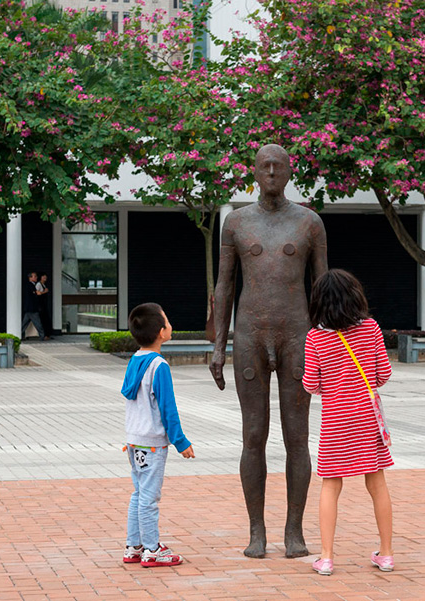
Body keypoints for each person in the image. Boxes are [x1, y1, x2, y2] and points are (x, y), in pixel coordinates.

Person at [210, 144, 328, 558]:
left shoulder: (310, 223)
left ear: (290, 171)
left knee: (298, 437)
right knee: (253, 435)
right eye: (266, 166)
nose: (273, 172)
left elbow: (323, 289)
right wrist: (219, 345)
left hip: (298, 336)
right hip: (250, 337)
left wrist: (329, 346)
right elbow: (224, 286)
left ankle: (293, 531)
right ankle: (256, 530)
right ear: (255, 172)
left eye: (280, 166)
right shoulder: (237, 222)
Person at [302, 269, 394, 576]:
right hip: (367, 419)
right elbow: (383, 375)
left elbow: (311, 384)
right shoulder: (371, 328)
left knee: (331, 484)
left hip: (336, 421)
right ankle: (387, 553)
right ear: (355, 296)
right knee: (377, 482)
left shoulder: (315, 336)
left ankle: (326, 557)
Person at [121, 303, 195, 568]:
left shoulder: (135, 360)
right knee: (149, 498)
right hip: (152, 444)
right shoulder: (159, 365)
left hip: (133, 440)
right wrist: (181, 442)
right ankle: (152, 550)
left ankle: (134, 546)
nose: (170, 325)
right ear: (162, 332)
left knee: (139, 494)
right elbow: (168, 408)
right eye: (168, 321)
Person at [21, 271, 49, 341]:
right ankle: (42, 336)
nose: (36, 277)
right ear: (30, 277)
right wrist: (44, 291)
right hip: (32, 308)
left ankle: (19, 335)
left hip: (29, 308)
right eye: (35, 276)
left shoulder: (31, 285)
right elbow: (38, 293)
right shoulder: (30, 285)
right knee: (38, 323)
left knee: (25, 323)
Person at [37, 272, 53, 337]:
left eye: (45, 277)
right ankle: (44, 334)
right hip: (41, 305)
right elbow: (38, 293)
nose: (45, 278)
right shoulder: (38, 284)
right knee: (43, 320)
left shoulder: (44, 285)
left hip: (44, 305)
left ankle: (47, 334)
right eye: (43, 277)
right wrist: (45, 292)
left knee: (46, 319)